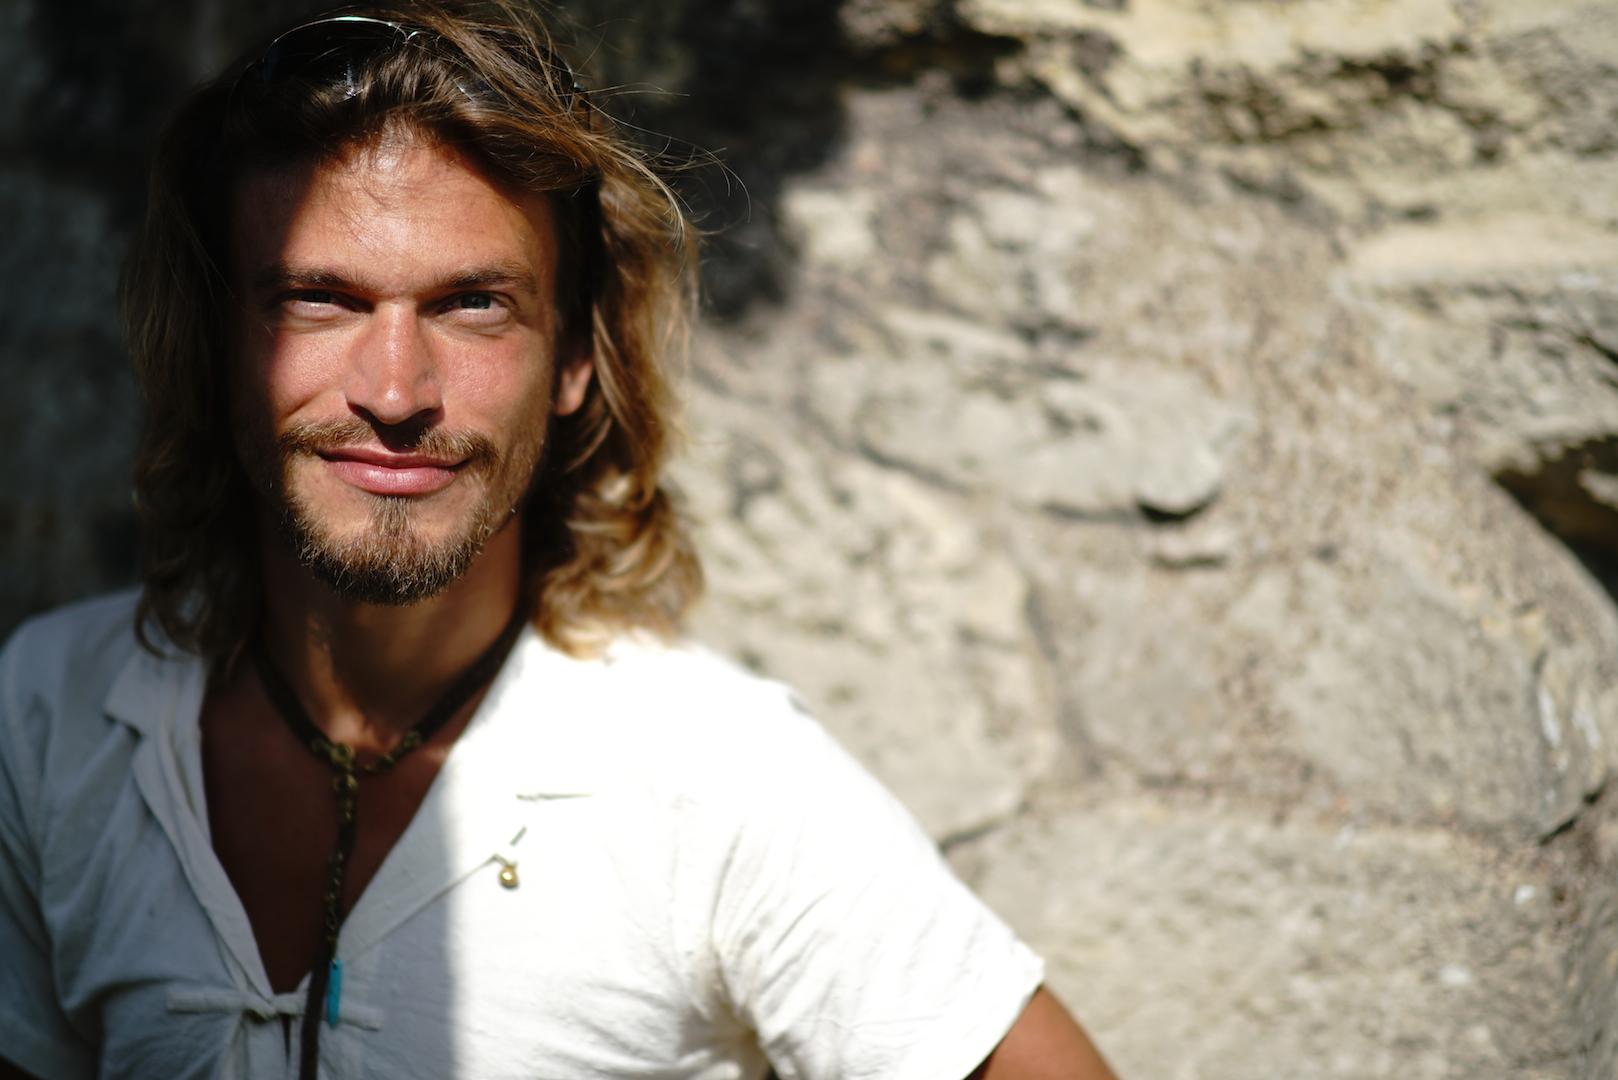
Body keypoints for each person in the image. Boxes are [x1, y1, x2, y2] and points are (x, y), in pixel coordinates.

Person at [0, 3, 1118, 1078]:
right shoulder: (53, 713)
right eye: (320, 300)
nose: (395, 389)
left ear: (575, 357)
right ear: (214, 344)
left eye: (472, 304)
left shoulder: (718, 779)